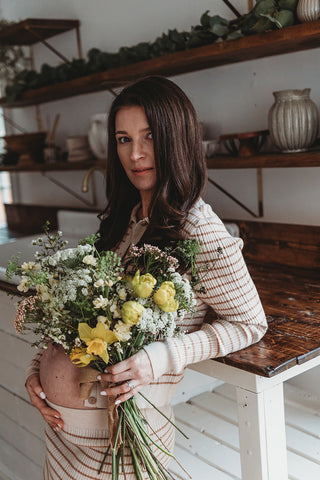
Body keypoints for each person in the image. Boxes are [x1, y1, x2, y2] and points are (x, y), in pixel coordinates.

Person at [25, 75, 268, 479]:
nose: (135, 154)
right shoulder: (128, 219)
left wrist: (163, 357)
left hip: (121, 444)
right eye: (123, 139)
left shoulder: (198, 228)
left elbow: (250, 323)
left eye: (150, 136)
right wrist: (41, 368)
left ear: (179, 139)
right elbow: (82, 317)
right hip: (66, 439)